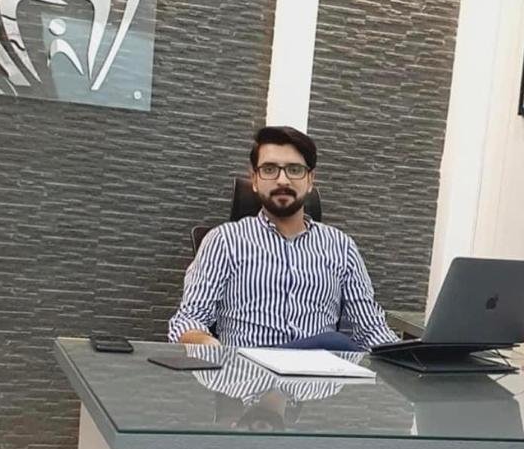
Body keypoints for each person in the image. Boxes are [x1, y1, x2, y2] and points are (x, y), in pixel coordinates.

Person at [168, 125, 398, 351]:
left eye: (294, 170)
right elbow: (189, 319)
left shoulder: (341, 247)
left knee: (336, 344)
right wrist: (206, 344)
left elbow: (371, 329)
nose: (282, 180)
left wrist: (408, 357)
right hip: (248, 371)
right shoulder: (224, 241)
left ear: (310, 180)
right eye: (269, 169)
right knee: (335, 342)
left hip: (317, 372)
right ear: (255, 180)